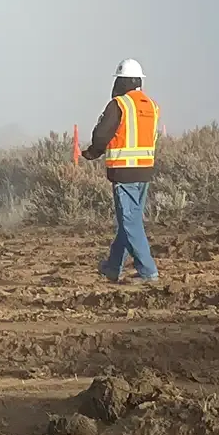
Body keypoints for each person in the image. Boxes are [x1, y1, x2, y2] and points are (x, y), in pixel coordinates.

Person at [81, 58, 161, 283]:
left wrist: (92, 152)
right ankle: (112, 267)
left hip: (124, 172)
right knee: (130, 221)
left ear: (121, 81)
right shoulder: (152, 106)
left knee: (130, 222)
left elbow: (101, 136)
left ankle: (148, 271)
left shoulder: (120, 104)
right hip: (145, 170)